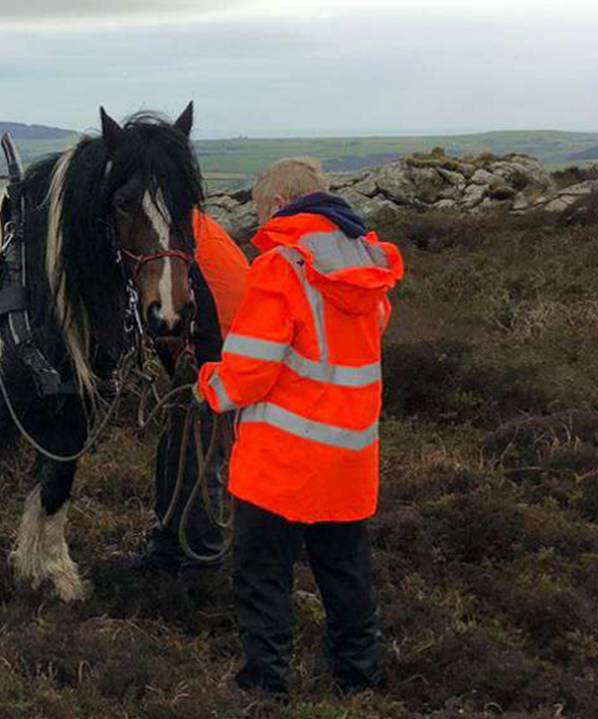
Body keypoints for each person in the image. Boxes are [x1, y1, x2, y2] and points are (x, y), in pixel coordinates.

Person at [196, 157, 403, 695]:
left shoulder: (280, 266)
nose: (261, 225)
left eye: (263, 213)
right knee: (346, 575)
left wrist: (208, 385)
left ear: (281, 206)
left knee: (262, 576)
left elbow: (248, 371)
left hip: (281, 465)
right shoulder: (368, 265)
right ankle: (358, 681)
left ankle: (265, 687)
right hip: (349, 461)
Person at [138, 209, 248, 573]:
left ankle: (205, 560)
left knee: (198, 460)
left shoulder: (175, 235)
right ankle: (168, 545)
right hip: (218, 352)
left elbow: (208, 306)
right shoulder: (185, 225)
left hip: (219, 356)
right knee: (176, 447)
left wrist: (205, 379)